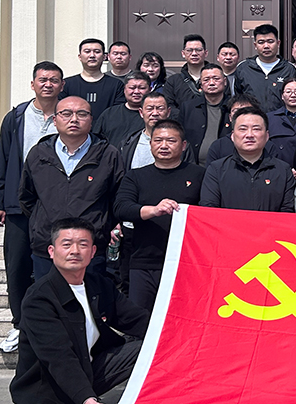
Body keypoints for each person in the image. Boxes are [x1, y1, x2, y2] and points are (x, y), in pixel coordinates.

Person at [9, 218, 177, 404]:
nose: (75, 251)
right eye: (67, 244)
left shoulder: (98, 284)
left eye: (83, 244)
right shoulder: (38, 299)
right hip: (47, 387)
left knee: (154, 348)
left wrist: (183, 335)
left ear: (93, 251)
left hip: (90, 369)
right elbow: (59, 359)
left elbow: (139, 321)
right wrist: (89, 402)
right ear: (52, 251)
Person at [0, 61, 63, 353]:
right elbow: (3, 158)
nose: (48, 84)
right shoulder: (17, 117)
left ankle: (53, 323)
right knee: (17, 267)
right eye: (42, 79)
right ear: (33, 84)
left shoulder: (67, 114)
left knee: (53, 265)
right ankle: (20, 325)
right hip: (18, 205)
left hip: (55, 205)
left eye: (54, 80)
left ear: (62, 85)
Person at [18, 96, 125, 283]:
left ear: (91, 120)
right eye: (66, 114)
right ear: (55, 120)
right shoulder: (39, 153)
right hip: (47, 246)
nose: (74, 119)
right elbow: (27, 197)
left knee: (90, 298)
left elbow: (117, 198)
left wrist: (103, 226)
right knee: (49, 298)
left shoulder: (108, 154)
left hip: (90, 247)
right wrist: (42, 221)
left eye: (82, 114)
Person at [112, 119, 205, 310]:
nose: (164, 145)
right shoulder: (136, 176)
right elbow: (121, 208)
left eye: (171, 141)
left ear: (183, 145)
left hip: (186, 261)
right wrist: (153, 210)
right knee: (141, 318)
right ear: (150, 144)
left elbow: (209, 211)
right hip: (144, 260)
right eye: (158, 140)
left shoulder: (199, 175)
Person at [201, 106, 296, 212]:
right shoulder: (216, 170)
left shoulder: (283, 171)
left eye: (256, 129)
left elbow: (287, 212)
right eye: (243, 129)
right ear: (232, 136)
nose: (249, 135)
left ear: (267, 136)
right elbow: (209, 211)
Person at [233, 24, 294, 110]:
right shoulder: (243, 68)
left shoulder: (288, 69)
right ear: (255, 45)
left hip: (281, 118)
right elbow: (238, 98)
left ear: (278, 43)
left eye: (270, 41)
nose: (266, 46)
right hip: (251, 117)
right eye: (261, 42)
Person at [60, 38, 124, 119]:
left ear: (104, 57)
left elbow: (118, 114)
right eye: (87, 52)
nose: (92, 55)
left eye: (97, 52)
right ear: (80, 56)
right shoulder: (66, 84)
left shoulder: (117, 85)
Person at [179, 64, 230, 162]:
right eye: (206, 80)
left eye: (216, 79)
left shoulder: (233, 107)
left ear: (225, 81)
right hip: (194, 165)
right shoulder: (188, 108)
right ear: (201, 84)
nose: (211, 83)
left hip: (226, 165)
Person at [117, 91, 174, 171]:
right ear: (141, 112)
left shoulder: (179, 145)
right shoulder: (127, 144)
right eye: (149, 109)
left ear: (168, 112)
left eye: (160, 108)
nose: (155, 113)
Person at [94, 73, 150, 144]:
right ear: (124, 89)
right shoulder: (109, 114)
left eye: (141, 88)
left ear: (150, 90)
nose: (136, 92)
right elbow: (96, 139)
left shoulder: (153, 115)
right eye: (132, 88)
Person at [164, 35, 210, 104]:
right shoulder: (173, 81)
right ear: (183, 53)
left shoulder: (217, 78)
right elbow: (169, 105)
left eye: (198, 50)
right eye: (189, 50)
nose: (194, 54)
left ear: (206, 53)